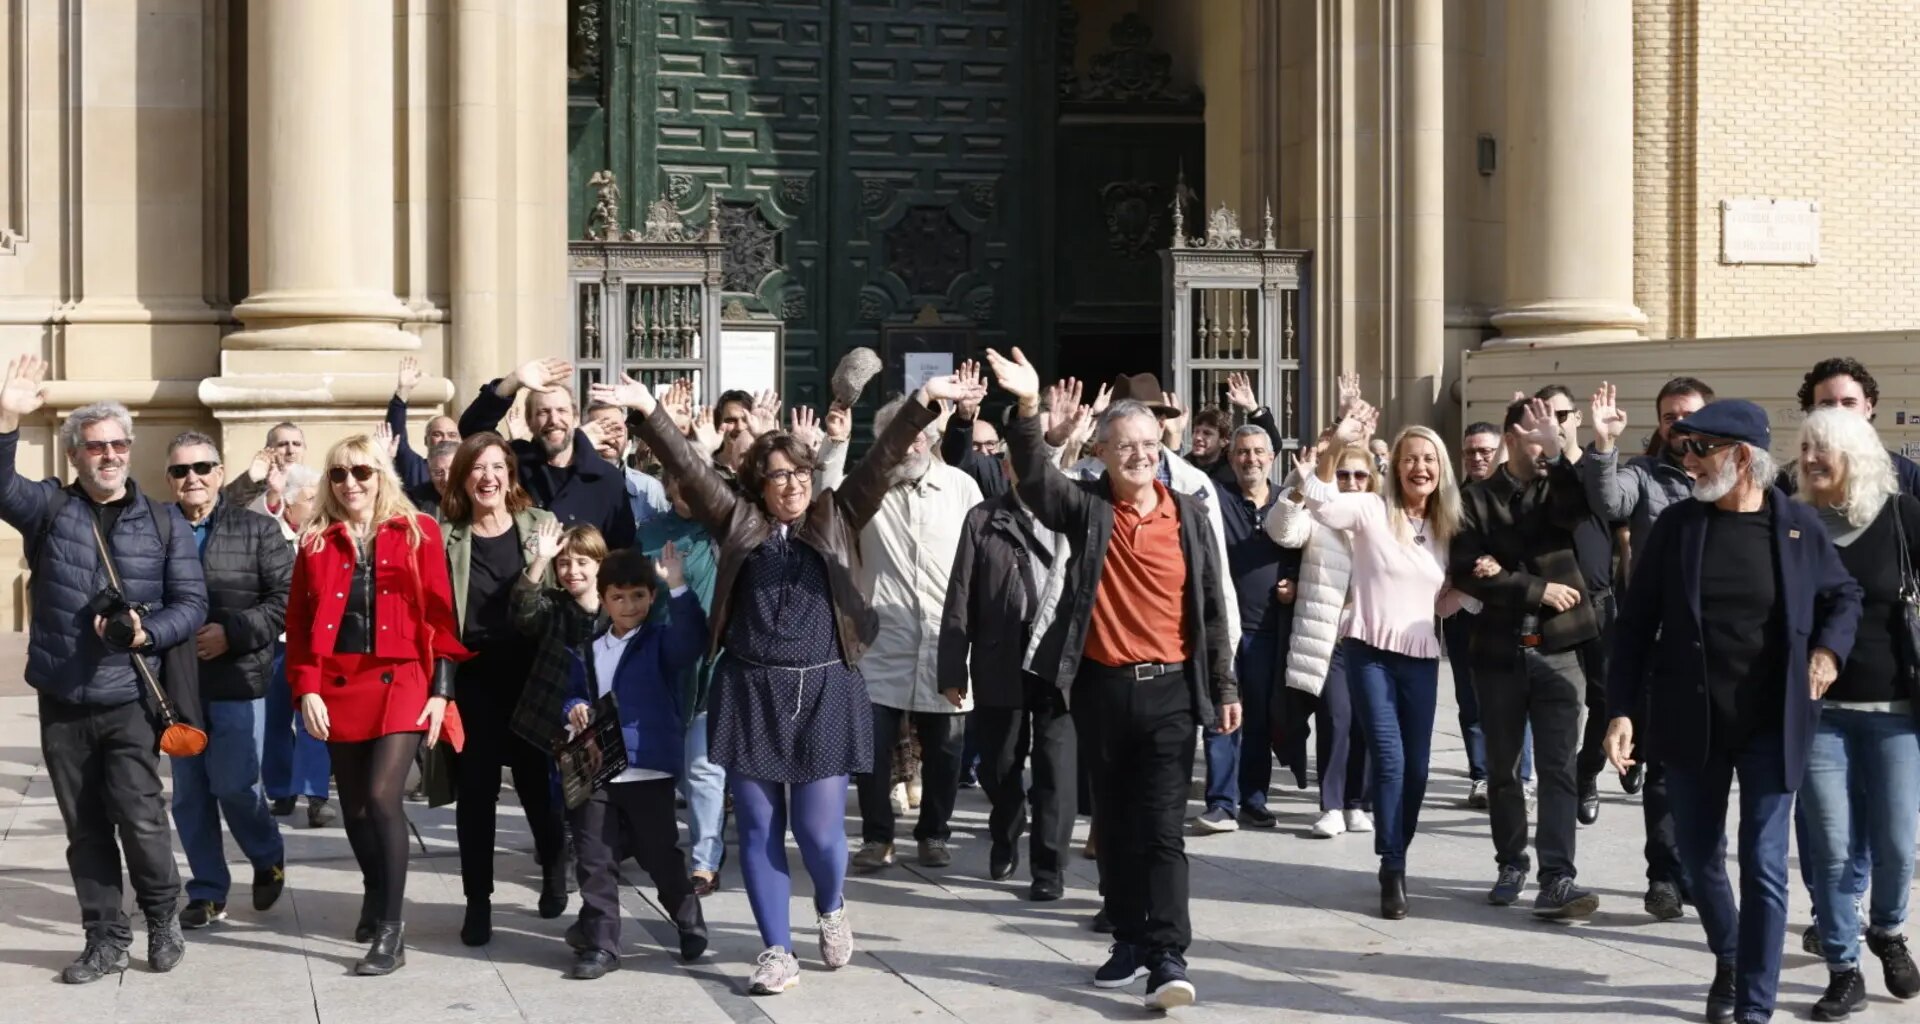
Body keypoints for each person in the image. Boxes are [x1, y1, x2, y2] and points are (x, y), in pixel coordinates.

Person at [596, 370, 974, 997]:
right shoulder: (737, 522)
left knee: (821, 834)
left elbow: (881, 462)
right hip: (751, 691)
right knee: (759, 829)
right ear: (759, 484)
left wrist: (925, 401)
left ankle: (830, 904)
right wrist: (646, 411)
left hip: (825, 690)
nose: (793, 485)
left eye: (800, 473)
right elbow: (689, 468)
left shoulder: (837, 513)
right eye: (778, 476)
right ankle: (776, 950)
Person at [986, 347, 1239, 1012]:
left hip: (1171, 692)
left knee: (1162, 829)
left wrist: (1225, 685)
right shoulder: (1088, 507)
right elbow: (1035, 479)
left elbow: (1212, 607)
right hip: (1102, 689)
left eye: (1150, 444)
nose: (1140, 456)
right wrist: (1028, 407)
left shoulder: (1189, 514)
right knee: (1116, 827)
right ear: (1101, 452)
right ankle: (1127, 937)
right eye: (1126, 446)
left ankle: (1168, 954)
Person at [1605, 398, 1863, 1024]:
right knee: (1696, 861)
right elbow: (1634, 625)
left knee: (1765, 865)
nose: (1688, 458)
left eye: (1701, 448)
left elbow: (1845, 595)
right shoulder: (1678, 527)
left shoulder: (1797, 527)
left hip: (1772, 724)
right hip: (1691, 722)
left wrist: (1828, 651)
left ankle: (1754, 1006)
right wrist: (1621, 711)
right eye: (1685, 446)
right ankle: (1731, 952)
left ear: (1741, 458)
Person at [0, 360, 208, 984]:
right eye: (96, 447)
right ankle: (105, 937)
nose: (110, 455)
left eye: (119, 445)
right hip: (64, 695)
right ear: (75, 456)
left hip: (130, 697)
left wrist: (147, 631)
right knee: (85, 827)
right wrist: (7, 417)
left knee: (141, 819)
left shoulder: (165, 522)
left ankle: (162, 917)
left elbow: (192, 605)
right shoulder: (48, 508)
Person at [286, 434, 464, 976]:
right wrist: (307, 688)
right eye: (339, 474)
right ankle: (374, 886)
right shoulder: (316, 540)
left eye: (362, 472)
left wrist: (442, 692)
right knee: (357, 808)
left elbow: (442, 617)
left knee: (385, 798)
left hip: (403, 678)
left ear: (382, 475)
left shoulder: (418, 531)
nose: (351, 483)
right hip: (339, 682)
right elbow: (299, 623)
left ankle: (391, 928)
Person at [1293, 400, 1466, 921]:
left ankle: (1397, 849)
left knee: (1417, 770)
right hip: (1368, 652)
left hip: (1421, 657)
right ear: (1396, 466)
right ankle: (1393, 866)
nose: (1419, 467)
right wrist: (1334, 445)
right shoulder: (1371, 509)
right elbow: (1321, 503)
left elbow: (1442, 601)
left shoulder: (1448, 527)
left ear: (1441, 469)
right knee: (1389, 759)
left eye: (1429, 460)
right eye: (1410, 458)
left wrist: (1471, 587)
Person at [1788, 408, 1920, 1020]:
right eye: (1804, 448)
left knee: (1897, 843)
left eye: (1823, 449)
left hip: (1896, 710)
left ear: (1857, 456)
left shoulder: (1902, 517)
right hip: (1820, 714)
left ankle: (1888, 931)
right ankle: (1843, 968)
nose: (1810, 459)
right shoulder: (1790, 523)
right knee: (1832, 848)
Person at [1450, 399, 1599, 919]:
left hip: (1560, 650)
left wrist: (1558, 456)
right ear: (1511, 439)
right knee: (1505, 769)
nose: (1546, 446)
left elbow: (1577, 515)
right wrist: (1537, 588)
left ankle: (1557, 877)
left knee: (1558, 769)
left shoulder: (1558, 486)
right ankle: (1511, 862)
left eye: (1553, 436)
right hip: (1499, 653)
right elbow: (1467, 570)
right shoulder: (1473, 498)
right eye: (1538, 437)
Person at [1586, 376, 1713, 921]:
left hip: (1721, 647)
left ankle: (1698, 871)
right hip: (1662, 643)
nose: (1679, 426)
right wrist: (1605, 445)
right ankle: (1663, 876)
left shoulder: (1734, 477)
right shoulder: (1642, 474)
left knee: (1711, 771)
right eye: (1669, 417)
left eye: (1689, 415)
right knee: (1660, 768)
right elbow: (1608, 500)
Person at [439, 432, 569, 944]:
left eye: (497, 466)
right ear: (463, 478)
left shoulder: (540, 524)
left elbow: (563, 597)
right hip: (474, 677)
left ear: (510, 473)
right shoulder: (446, 536)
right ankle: (478, 901)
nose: (488, 477)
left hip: (532, 674)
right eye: (477, 468)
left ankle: (554, 866)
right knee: (476, 793)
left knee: (537, 783)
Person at [160, 431, 293, 930]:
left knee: (236, 784)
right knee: (190, 794)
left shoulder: (257, 529)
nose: (192, 478)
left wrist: (232, 633)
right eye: (180, 470)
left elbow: (285, 598)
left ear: (219, 473)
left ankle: (266, 853)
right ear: (169, 479)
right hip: (177, 686)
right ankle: (208, 890)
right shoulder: (155, 528)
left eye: (201, 468)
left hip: (238, 678)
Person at [559, 544, 710, 978]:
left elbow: (691, 641)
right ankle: (602, 945)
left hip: (647, 768)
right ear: (604, 600)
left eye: (639, 596)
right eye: (619, 597)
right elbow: (572, 693)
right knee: (594, 857)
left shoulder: (660, 641)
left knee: (658, 852)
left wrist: (677, 584)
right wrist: (573, 708)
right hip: (596, 767)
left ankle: (687, 917)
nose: (629, 606)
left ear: (651, 596)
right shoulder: (588, 649)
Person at [940, 408, 1071, 900]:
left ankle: (1049, 867)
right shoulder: (983, 518)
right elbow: (960, 595)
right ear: (1007, 467)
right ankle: (1006, 828)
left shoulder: (1073, 514)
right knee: (1000, 763)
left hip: (1057, 660)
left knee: (1056, 768)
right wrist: (952, 667)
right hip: (999, 657)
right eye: (1019, 462)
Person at [847, 396, 983, 872]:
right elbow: (828, 502)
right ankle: (877, 837)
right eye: (900, 435)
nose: (910, 444)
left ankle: (934, 833)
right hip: (881, 641)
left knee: (946, 748)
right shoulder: (867, 489)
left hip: (946, 640)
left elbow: (982, 557)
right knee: (872, 747)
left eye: (917, 434)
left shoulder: (962, 487)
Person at [1194, 425, 1300, 832]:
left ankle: (1254, 799)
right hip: (1223, 630)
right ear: (1230, 457)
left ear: (1272, 457)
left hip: (1268, 630)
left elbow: (1303, 550)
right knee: (1221, 715)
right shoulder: (1216, 499)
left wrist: (1295, 582)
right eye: (1241, 452)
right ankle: (1221, 803)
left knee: (1258, 720)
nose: (1250, 459)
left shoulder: (1287, 501)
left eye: (1258, 451)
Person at [1268, 443, 1375, 839]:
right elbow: (1282, 530)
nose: (1351, 482)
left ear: (1372, 481)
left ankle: (1356, 803)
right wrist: (1301, 486)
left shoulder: (1382, 516)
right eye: (1343, 475)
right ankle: (1331, 805)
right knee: (1336, 717)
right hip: (1329, 637)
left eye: (1359, 475)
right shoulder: (1317, 513)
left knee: (1365, 721)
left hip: (1372, 636)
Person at [637, 474, 727, 896]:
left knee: (704, 767)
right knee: (670, 770)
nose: (688, 490)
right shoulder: (650, 533)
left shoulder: (724, 524)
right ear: (668, 487)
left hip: (715, 664)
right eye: (679, 481)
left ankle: (705, 863)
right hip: (666, 665)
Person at [457, 355, 636, 550]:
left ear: (575, 419)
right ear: (529, 421)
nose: (554, 420)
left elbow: (621, 552)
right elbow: (473, 430)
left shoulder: (607, 479)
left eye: (562, 411)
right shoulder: (515, 463)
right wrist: (512, 382)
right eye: (543, 412)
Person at [1445, 421, 1532, 808]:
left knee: (1518, 699)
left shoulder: (1521, 495)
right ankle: (1481, 775)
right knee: (1470, 700)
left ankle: (1521, 778)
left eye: (1485, 451)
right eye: (1470, 452)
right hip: (1464, 613)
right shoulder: (1451, 500)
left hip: (1511, 612)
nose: (1477, 458)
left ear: (1502, 451)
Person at [260, 463, 336, 825]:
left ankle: (316, 795)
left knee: (313, 720)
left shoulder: (324, 537)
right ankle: (281, 790)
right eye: (311, 498)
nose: (319, 504)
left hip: (313, 645)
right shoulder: (268, 533)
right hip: (275, 645)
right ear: (289, 505)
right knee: (274, 722)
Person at [1795, 357, 1920, 496]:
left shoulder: (1909, 477)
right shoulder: (1789, 480)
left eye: (1849, 403)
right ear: (1811, 412)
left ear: (1868, 408)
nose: (1839, 412)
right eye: (1827, 405)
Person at [585, 397, 671, 526]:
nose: (610, 439)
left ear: (627, 436)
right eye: (600, 430)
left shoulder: (649, 490)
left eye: (617, 430)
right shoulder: (568, 488)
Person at [389, 355, 462, 492]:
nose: (445, 439)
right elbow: (397, 437)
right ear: (426, 440)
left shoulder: (470, 473)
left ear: (460, 440)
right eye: (437, 434)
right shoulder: (415, 468)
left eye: (452, 435)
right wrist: (402, 391)